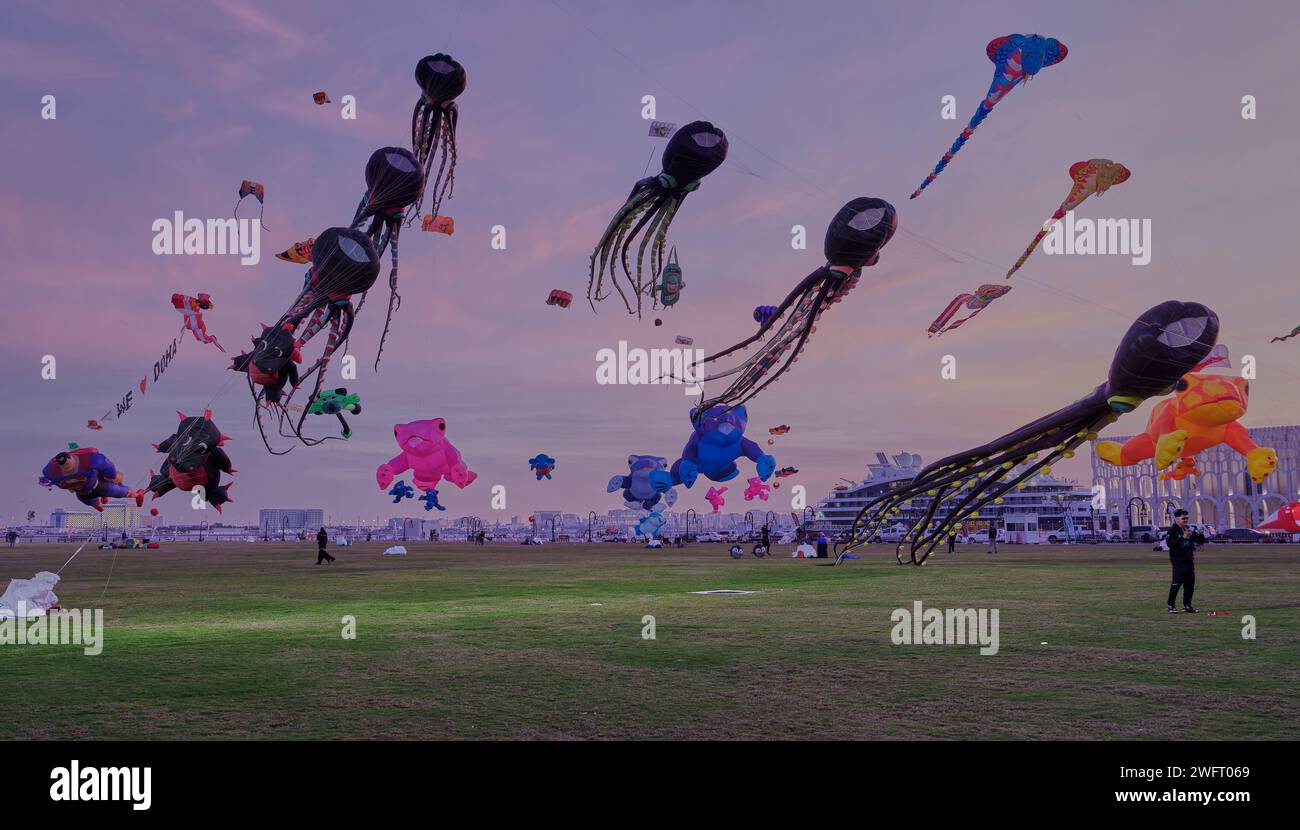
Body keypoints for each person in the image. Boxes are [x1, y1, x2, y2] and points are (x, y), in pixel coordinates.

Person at [1166, 509, 1204, 613]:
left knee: (1190, 584)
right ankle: (1170, 605)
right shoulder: (1172, 530)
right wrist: (1183, 537)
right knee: (1176, 583)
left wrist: (1201, 534)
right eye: (1183, 518)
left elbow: (1200, 541)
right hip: (1178, 561)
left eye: (1187, 518)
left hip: (1189, 560)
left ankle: (1187, 605)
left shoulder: (1188, 529)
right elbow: (1170, 544)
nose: (1186, 520)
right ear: (1177, 519)